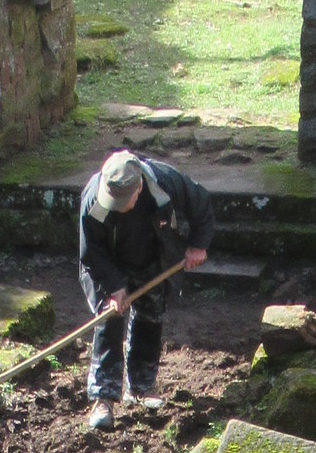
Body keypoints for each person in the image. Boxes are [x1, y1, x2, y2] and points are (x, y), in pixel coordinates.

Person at [77, 148, 215, 431]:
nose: (114, 206)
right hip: (105, 264)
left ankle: (140, 387)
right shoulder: (95, 199)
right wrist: (114, 287)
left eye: (121, 202)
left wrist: (198, 245)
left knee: (151, 315)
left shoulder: (164, 182)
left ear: (138, 188)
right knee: (108, 318)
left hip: (151, 257)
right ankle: (103, 397)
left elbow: (199, 201)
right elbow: (90, 251)